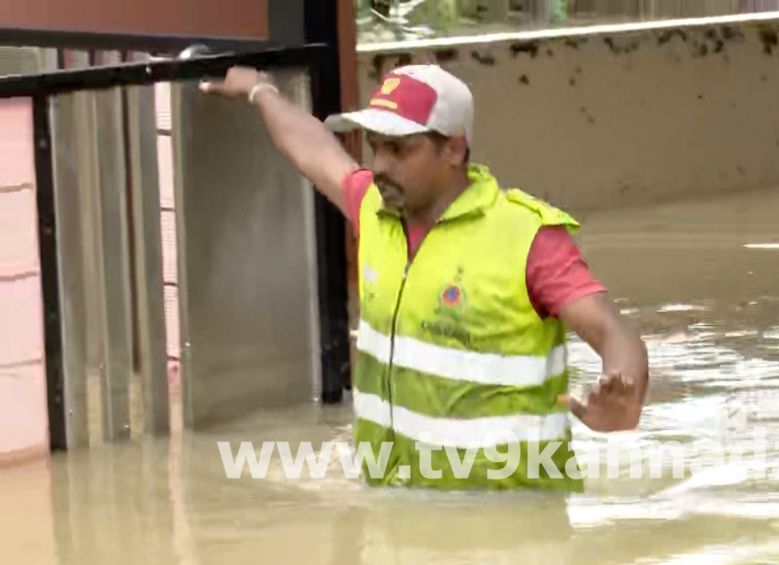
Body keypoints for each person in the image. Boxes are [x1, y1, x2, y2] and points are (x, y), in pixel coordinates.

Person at [200, 64, 648, 490]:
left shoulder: (525, 239)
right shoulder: (376, 210)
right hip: (394, 513)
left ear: (453, 148)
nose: (379, 166)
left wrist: (624, 397)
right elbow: (315, 151)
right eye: (375, 146)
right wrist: (261, 91)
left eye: (399, 149)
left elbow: (614, 332)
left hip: (505, 531)